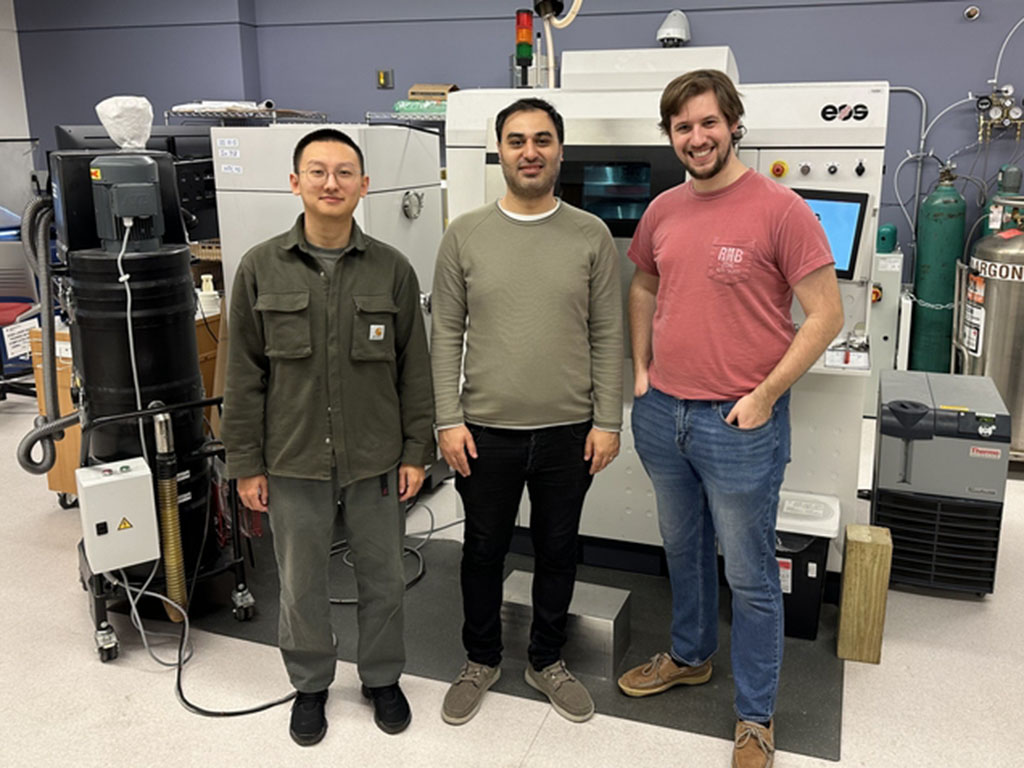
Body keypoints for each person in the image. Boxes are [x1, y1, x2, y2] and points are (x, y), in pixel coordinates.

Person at [616, 70, 844, 768]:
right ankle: (690, 656)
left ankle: (754, 717)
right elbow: (645, 285)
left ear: (733, 123)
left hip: (740, 425)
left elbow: (827, 315)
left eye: (708, 123)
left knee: (749, 575)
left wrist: (766, 395)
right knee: (681, 551)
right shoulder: (663, 210)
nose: (697, 137)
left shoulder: (781, 210)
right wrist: (641, 373)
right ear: (672, 136)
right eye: (683, 127)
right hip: (664, 417)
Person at [221, 128, 434, 746]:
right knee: (302, 582)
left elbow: (413, 372)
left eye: (344, 173)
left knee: (383, 577)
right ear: (295, 182)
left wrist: (416, 453)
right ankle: (311, 684)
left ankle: (382, 676)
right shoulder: (260, 267)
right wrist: (245, 464)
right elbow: (243, 374)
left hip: (375, 458)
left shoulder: (392, 268)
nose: (331, 183)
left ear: (364, 186)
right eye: (317, 172)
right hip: (291, 458)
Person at [431, 98, 623, 725]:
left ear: (560, 150)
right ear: (500, 151)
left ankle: (546, 659)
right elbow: (446, 336)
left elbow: (608, 335)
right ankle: (481, 657)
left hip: (570, 433)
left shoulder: (590, 235)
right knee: (483, 551)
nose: (530, 151)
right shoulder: (465, 234)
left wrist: (608, 420)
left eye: (542, 139)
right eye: (517, 140)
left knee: (558, 549)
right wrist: (446, 419)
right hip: (484, 432)